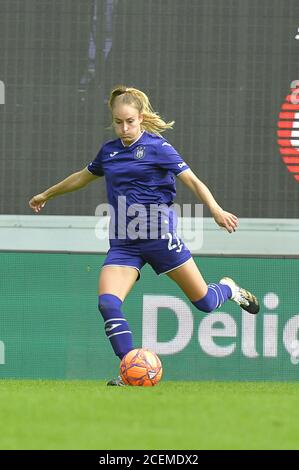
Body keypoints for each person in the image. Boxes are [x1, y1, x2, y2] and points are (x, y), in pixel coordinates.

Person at [29, 85, 259, 386]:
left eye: (130, 121)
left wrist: (215, 210)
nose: (124, 128)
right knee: (108, 304)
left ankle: (227, 288)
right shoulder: (109, 152)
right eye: (118, 122)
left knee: (204, 302)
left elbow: (192, 180)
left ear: (141, 118)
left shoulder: (158, 147)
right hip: (125, 243)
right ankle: (129, 370)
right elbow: (81, 177)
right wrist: (46, 194)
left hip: (161, 238)